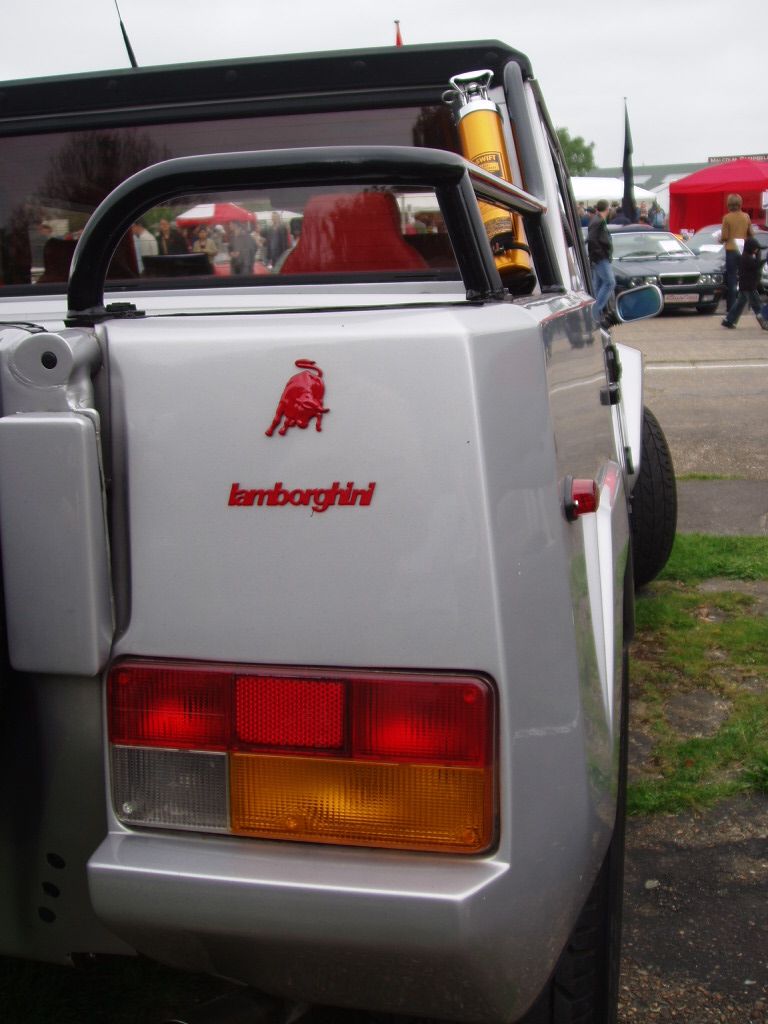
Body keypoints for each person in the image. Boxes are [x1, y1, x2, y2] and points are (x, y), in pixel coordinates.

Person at [721, 235, 767, 330]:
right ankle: (763, 319)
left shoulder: (747, 256)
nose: (756, 251)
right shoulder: (746, 258)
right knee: (757, 304)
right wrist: (759, 257)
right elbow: (756, 266)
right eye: (755, 249)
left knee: (740, 303)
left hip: (746, 285)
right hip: (748, 286)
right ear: (751, 248)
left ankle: (729, 320)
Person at [721, 193, 752, 313]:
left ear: (729, 204)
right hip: (743, 249)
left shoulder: (727, 218)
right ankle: (746, 305)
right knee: (745, 278)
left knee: (732, 278)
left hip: (731, 249)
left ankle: (731, 307)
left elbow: (724, 236)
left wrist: (719, 239)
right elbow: (751, 234)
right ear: (740, 203)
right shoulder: (746, 217)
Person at [587, 199, 616, 326]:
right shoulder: (598, 222)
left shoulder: (597, 221)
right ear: (607, 209)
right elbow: (592, 239)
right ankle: (595, 312)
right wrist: (599, 254)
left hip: (599, 257)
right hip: (600, 258)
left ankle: (593, 313)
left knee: (597, 286)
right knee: (610, 282)